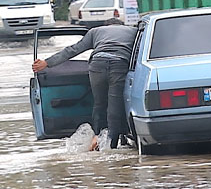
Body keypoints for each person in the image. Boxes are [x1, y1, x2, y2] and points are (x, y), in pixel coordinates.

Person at [32, 18, 136, 151]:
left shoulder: (95, 31)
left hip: (97, 64)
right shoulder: (133, 31)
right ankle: (111, 145)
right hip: (120, 64)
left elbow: (73, 50)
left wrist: (46, 63)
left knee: (99, 104)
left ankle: (97, 138)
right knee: (115, 106)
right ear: (121, 25)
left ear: (106, 25)